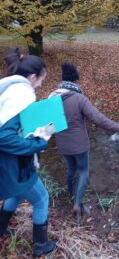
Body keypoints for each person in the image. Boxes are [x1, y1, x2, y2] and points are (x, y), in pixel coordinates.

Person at [49, 62, 119, 221]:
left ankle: (70, 194)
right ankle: (78, 203)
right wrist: (118, 127)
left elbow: (48, 122)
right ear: (75, 81)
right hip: (80, 145)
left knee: (71, 169)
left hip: (62, 144)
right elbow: (98, 119)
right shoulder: (79, 98)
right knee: (83, 171)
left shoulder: (52, 97)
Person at [0, 48, 56, 258]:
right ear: (32, 77)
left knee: (17, 193)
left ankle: (0, 228)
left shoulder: (8, 88)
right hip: (14, 166)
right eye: (41, 79)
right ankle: (41, 245)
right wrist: (38, 143)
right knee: (42, 198)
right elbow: (3, 137)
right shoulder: (22, 95)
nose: (41, 85)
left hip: (11, 164)